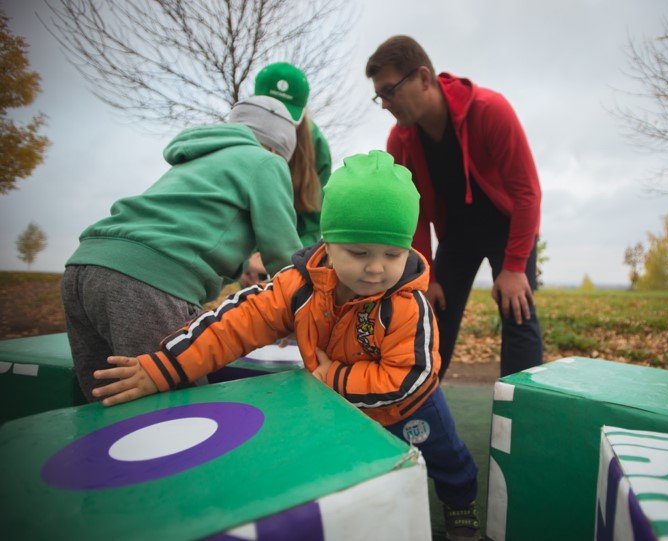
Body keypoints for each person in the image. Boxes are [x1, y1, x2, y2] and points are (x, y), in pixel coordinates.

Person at [91, 151, 481, 540]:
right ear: (328, 243)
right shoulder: (298, 288)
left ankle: (460, 502)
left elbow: (412, 375)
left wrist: (334, 377)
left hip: (407, 407)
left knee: (446, 457)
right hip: (339, 405)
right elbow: (234, 324)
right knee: (349, 468)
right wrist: (163, 367)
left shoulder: (407, 305)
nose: (376, 267)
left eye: (392, 254)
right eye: (359, 253)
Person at [61, 95, 304, 402]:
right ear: (278, 147)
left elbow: (194, 233)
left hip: (84, 267)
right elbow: (283, 255)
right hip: (146, 282)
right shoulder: (267, 162)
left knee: (106, 401)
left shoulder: (199, 158)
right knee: (173, 411)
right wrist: (304, 314)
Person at [366, 35, 543, 380]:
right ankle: (417, 406)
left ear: (423, 78)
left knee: (517, 310)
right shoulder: (399, 139)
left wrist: (515, 267)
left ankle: (521, 415)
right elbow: (411, 212)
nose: (385, 104)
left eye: (389, 91)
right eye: (379, 96)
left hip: (507, 226)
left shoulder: (490, 111)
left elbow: (528, 194)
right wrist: (425, 274)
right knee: (431, 315)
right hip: (457, 234)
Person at [240, 62, 333, 286]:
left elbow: (313, 221)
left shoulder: (317, 148)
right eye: (272, 111)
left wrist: (292, 263)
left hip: (292, 251)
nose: (278, 123)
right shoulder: (240, 136)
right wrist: (245, 261)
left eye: (287, 115)